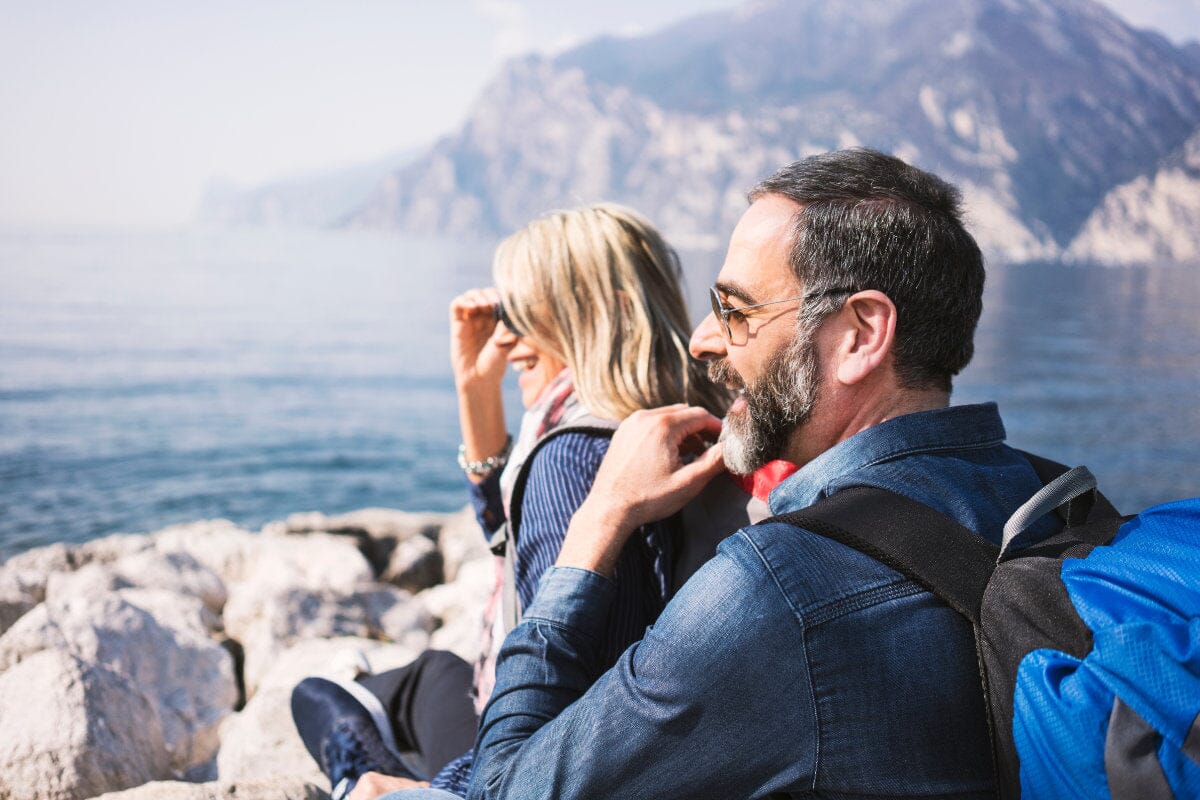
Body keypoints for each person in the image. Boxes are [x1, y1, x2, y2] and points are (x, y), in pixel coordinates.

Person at [378, 147, 1062, 799]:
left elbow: (505, 790)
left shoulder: (779, 588)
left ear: (859, 334)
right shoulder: (1052, 496)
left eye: (736, 311)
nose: (702, 337)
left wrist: (598, 519)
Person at [290, 203, 729, 800]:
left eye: (522, 310)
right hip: (639, 748)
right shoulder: (681, 418)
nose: (504, 334)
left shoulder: (572, 457)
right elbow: (515, 538)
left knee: (316, 697)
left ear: (595, 314)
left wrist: (437, 791)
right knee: (426, 674)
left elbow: (566, 708)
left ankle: (365, 782)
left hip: (520, 758)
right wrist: (476, 393)